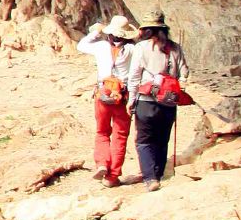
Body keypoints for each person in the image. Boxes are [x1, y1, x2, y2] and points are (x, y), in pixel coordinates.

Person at [127, 10, 189, 190]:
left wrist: (131, 99)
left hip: (146, 100)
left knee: (144, 140)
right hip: (169, 101)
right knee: (162, 139)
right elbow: (184, 73)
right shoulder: (176, 47)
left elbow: (134, 76)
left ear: (147, 30)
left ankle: (150, 178)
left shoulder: (141, 48)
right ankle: (159, 172)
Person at [77, 12, 137, 185]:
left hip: (103, 93)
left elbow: (81, 45)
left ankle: (102, 163)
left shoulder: (102, 46)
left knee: (102, 131)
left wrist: (96, 31)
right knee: (120, 134)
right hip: (123, 95)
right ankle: (113, 176)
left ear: (110, 33)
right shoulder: (132, 50)